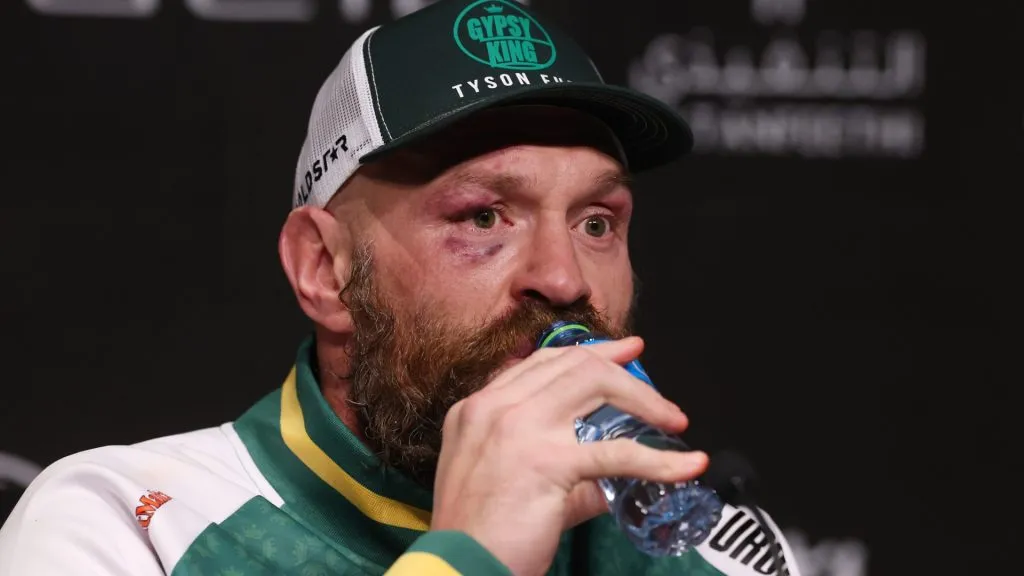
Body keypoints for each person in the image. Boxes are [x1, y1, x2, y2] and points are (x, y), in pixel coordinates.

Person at [0, 1, 802, 574]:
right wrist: (470, 558)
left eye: (597, 222)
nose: (562, 278)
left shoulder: (715, 551)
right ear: (325, 269)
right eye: (484, 217)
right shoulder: (126, 525)